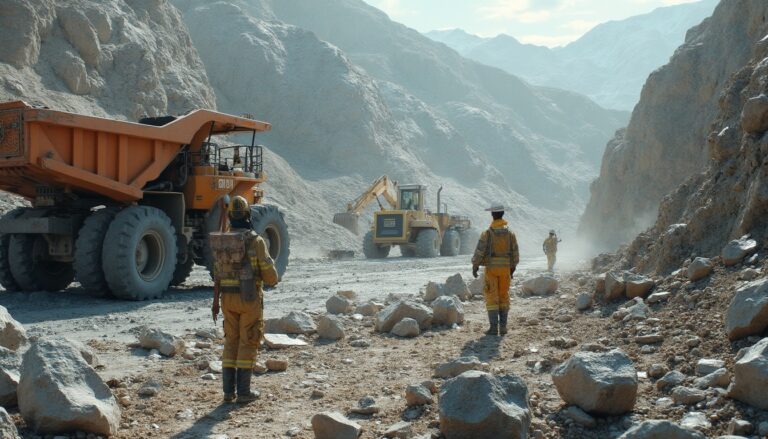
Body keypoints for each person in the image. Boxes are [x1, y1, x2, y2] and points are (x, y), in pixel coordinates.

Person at [210, 196, 278, 403]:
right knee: (248, 341)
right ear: (248, 215)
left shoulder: (223, 241)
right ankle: (244, 393)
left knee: (231, 342)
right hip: (249, 300)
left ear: (230, 216)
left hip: (227, 300)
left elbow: (217, 273)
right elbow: (271, 277)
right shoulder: (255, 241)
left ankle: (228, 392)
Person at [471, 204, 519, 335]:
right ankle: (503, 327)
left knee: (492, 297)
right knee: (504, 295)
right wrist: (512, 269)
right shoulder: (510, 233)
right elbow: (515, 253)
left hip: (491, 270)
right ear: (503, 214)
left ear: (492, 215)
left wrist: (475, 266)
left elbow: (479, 251)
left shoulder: (487, 233)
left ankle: (493, 328)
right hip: (505, 271)